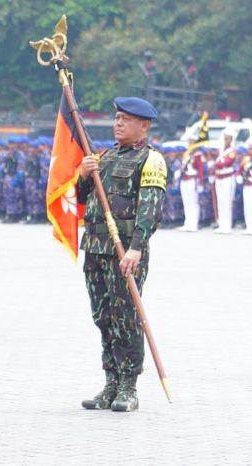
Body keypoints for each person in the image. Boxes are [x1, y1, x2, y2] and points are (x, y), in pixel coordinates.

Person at [78, 97, 167, 412]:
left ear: (144, 125)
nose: (118, 123)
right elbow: (82, 199)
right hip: (96, 248)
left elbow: (150, 210)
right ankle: (110, 383)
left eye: (125, 119)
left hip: (125, 252)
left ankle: (129, 386)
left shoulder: (151, 160)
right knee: (103, 317)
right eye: (116, 118)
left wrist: (136, 248)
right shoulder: (104, 157)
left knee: (126, 318)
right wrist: (84, 174)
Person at [213, 129, 238, 234]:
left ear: (231, 139)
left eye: (227, 138)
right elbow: (218, 162)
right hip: (219, 177)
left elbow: (227, 163)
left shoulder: (232, 151)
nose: (225, 140)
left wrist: (217, 163)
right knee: (220, 202)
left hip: (228, 178)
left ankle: (227, 226)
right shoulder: (221, 150)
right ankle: (221, 224)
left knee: (227, 202)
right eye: (224, 138)